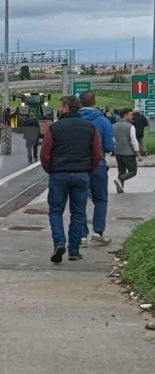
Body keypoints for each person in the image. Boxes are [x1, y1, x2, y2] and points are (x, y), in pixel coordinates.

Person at [40, 95, 102, 263]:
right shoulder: (90, 127)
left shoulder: (55, 128)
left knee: (55, 211)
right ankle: (74, 250)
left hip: (59, 174)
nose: (60, 109)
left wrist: (52, 170)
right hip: (81, 174)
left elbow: (45, 154)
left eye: (61, 106)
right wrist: (88, 170)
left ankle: (59, 242)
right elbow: (97, 153)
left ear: (66, 107)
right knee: (78, 213)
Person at [77, 90, 115, 246]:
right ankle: (98, 232)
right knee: (100, 199)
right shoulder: (103, 121)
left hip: (78, 165)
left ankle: (81, 236)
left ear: (80, 102)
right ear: (94, 102)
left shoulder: (74, 120)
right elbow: (109, 146)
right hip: (98, 164)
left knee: (79, 200)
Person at [113, 107, 139, 192]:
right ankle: (120, 179)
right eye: (131, 115)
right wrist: (138, 154)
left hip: (118, 152)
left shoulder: (113, 125)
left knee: (121, 171)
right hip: (128, 153)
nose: (132, 117)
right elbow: (133, 141)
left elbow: (112, 139)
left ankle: (120, 188)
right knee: (133, 172)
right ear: (125, 115)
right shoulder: (130, 126)